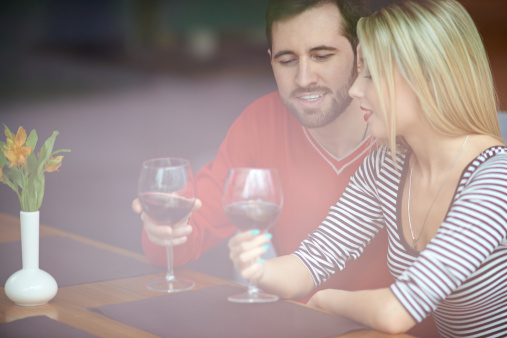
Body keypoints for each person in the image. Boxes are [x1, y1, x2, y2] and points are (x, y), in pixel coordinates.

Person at [229, 0, 507, 336]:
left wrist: (327, 300)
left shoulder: (495, 180)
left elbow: (397, 311)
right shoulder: (388, 164)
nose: (356, 88)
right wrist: (257, 269)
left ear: (427, 81)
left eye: (371, 76)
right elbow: (313, 260)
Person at [132, 0, 403, 304]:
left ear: (361, 56)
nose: (304, 79)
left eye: (322, 56)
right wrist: (166, 234)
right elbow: (191, 228)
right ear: (271, 61)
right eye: (287, 60)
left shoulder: (405, 134)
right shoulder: (261, 122)